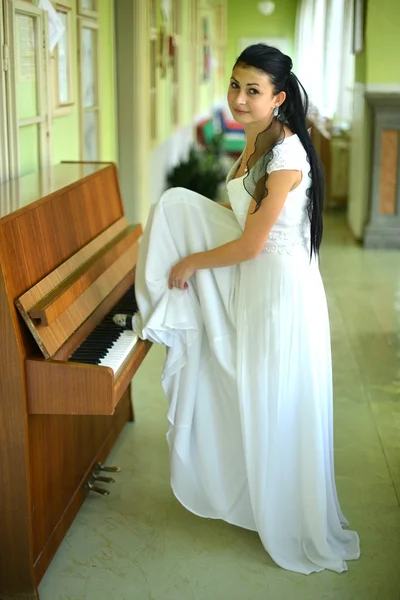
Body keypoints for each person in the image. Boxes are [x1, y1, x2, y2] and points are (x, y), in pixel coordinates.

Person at [114, 44, 360, 575]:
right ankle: (256, 498)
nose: (240, 99)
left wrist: (192, 262)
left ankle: (288, 515)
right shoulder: (254, 142)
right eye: (235, 85)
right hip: (256, 284)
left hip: (280, 295)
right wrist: (184, 220)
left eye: (253, 90)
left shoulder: (288, 157)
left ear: (279, 98)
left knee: (273, 395)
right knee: (176, 204)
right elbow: (234, 209)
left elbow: (250, 244)